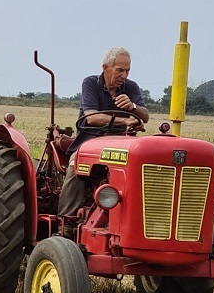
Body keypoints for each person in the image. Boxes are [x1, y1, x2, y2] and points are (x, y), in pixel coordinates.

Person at [57, 47, 150, 237]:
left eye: (127, 71)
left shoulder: (131, 88)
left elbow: (145, 116)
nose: (124, 75)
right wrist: (126, 120)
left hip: (121, 142)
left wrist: (132, 107)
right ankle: (66, 223)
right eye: (120, 70)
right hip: (91, 140)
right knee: (76, 165)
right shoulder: (91, 83)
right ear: (106, 67)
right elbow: (91, 118)